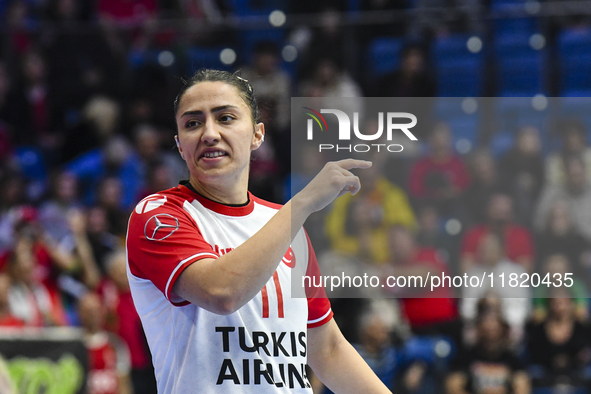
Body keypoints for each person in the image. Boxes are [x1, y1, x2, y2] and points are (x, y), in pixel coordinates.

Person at [125, 69, 391, 393]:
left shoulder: (285, 226)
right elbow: (221, 293)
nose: (209, 133)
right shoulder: (158, 215)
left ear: (257, 135)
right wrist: (303, 202)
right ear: (180, 146)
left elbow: (328, 349)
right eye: (193, 123)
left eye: (225, 118)